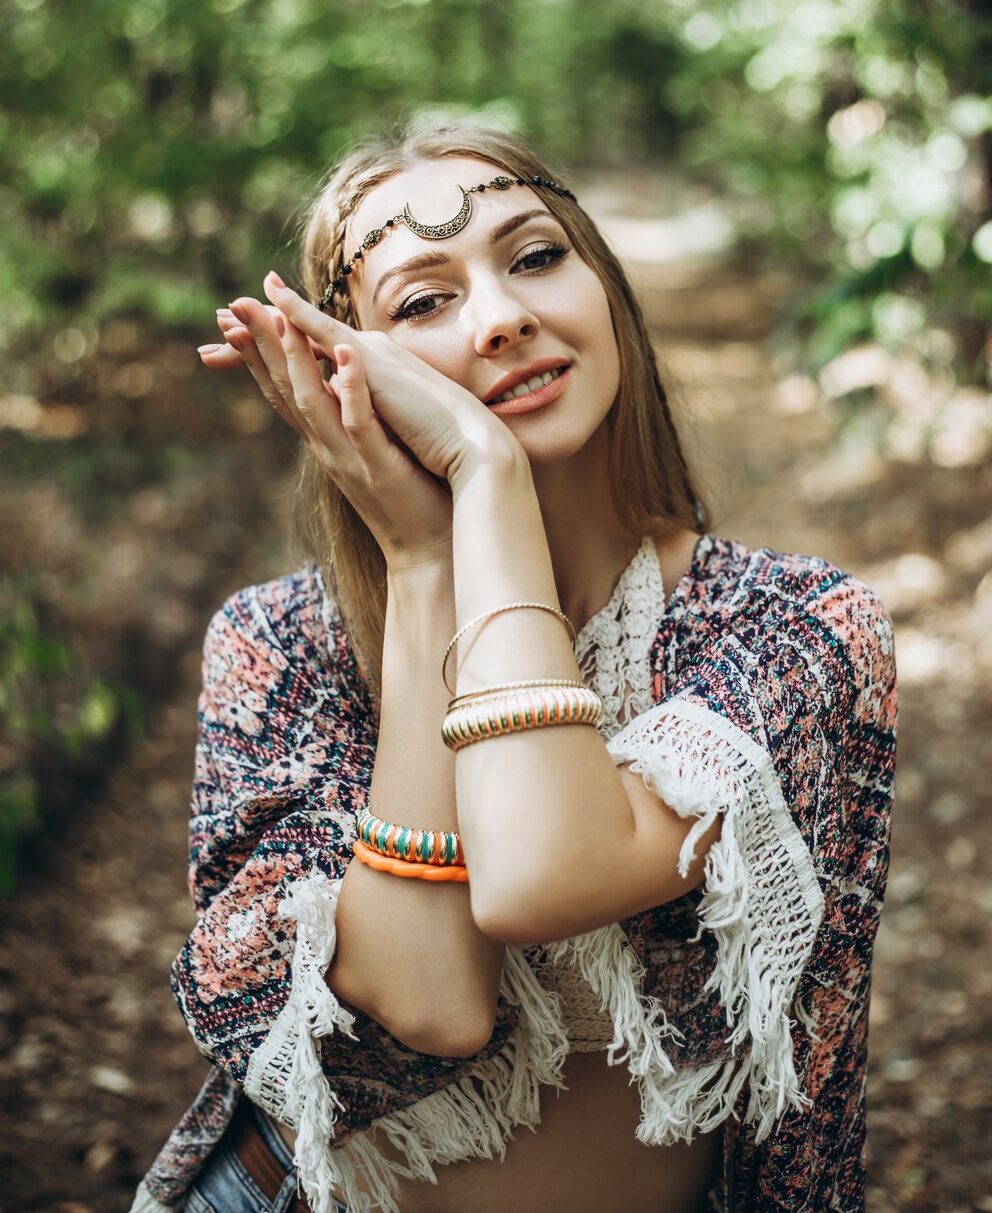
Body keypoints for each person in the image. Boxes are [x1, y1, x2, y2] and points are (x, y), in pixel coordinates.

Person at [130, 122, 897, 1213]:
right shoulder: (279, 647)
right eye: (421, 303)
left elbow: (542, 872)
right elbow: (429, 1002)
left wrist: (482, 482)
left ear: (605, 286)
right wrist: (426, 557)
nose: (503, 318)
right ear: (352, 373)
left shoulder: (795, 628)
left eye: (535, 256)